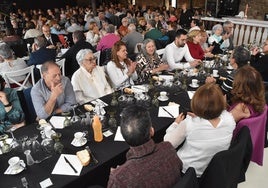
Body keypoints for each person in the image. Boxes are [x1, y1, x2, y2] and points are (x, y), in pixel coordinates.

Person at [164, 83, 249, 177]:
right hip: (214, 170)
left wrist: (175, 124)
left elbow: (168, 144)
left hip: (187, 171)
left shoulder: (190, 123)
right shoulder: (229, 120)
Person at [108, 105, 182, 187]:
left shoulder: (118, 179)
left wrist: (116, 175)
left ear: (123, 136)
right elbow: (180, 169)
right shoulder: (168, 148)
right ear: (152, 131)